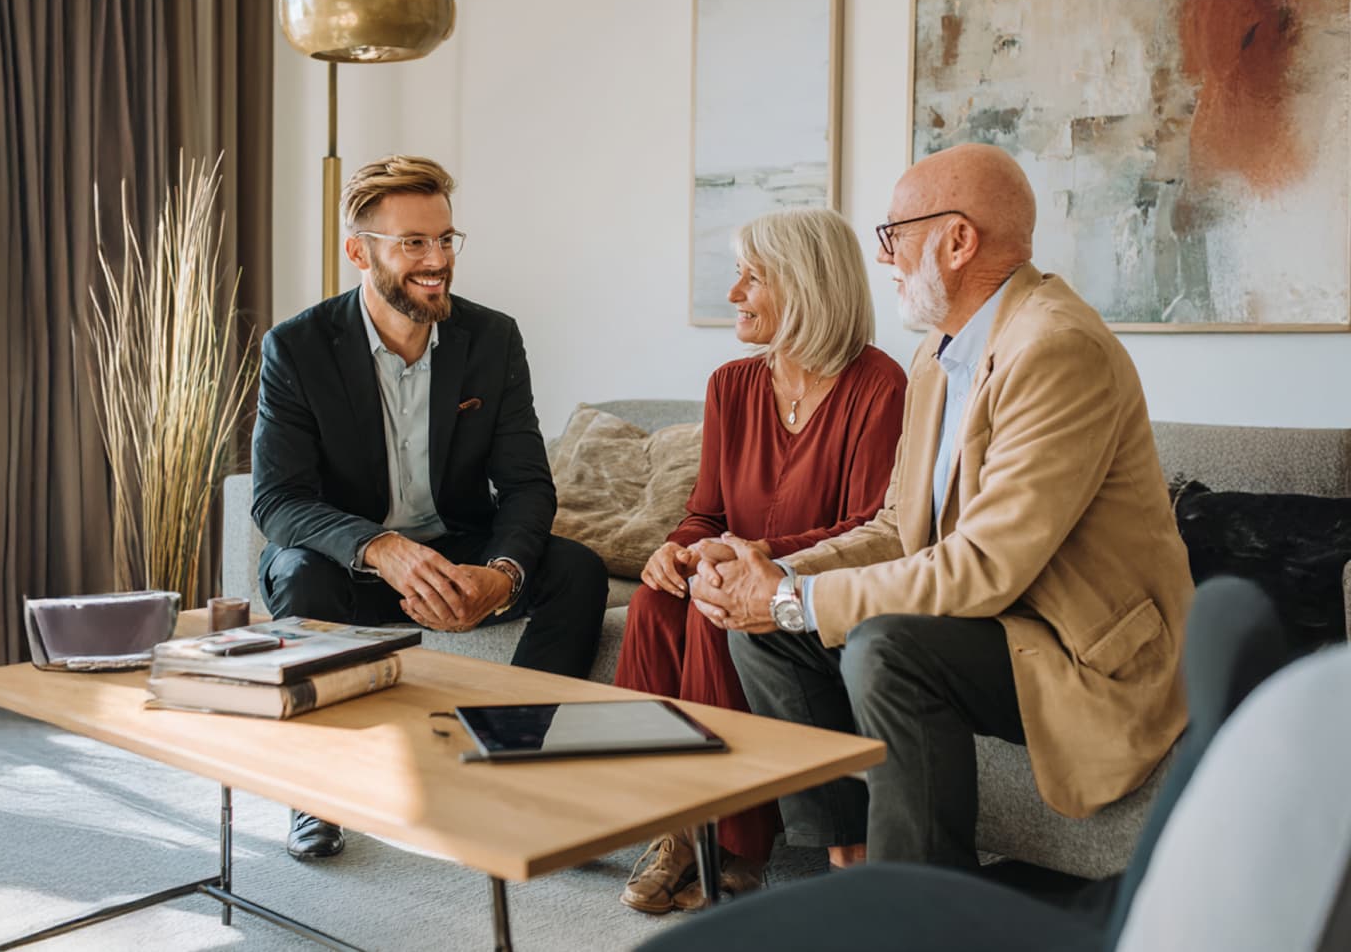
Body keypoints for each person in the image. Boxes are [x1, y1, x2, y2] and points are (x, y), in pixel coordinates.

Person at [690, 143, 1193, 871]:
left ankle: (926, 913)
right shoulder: (939, 354)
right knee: (763, 632)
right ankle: (851, 858)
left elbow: (985, 566)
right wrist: (768, 574)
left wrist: (796, 597)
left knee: (886, 647)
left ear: (957, 241)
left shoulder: (1055, 349)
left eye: (895, 233)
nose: (885, 255)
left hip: (1073, 649)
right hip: (997, 623)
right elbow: (899, 528)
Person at [251, 155, 606, 860]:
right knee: (298, 573)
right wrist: (379, 548)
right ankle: (315, 793)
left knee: (577, 570)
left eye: (445, 240)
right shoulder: (296, 347)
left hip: (455, 554)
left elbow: (528, 484)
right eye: (414, 242)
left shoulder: (492, 338)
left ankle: (515, 766)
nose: (437, 259)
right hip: (348, 566)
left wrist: (501, 573)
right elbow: (277, 498)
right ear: (359, 250)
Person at [614, 207, 907, 914]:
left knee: (720, 610)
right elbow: (706, 512)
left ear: (805, 286)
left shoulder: (881, 386)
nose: (734, 294)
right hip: (730, 572)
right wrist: (677, 551)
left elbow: (872, 528)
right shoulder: (730, 386)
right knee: (655, 601)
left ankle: (732, 840)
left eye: (752, 277)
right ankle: (677, 823)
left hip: (811, 597)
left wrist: (754, 560)